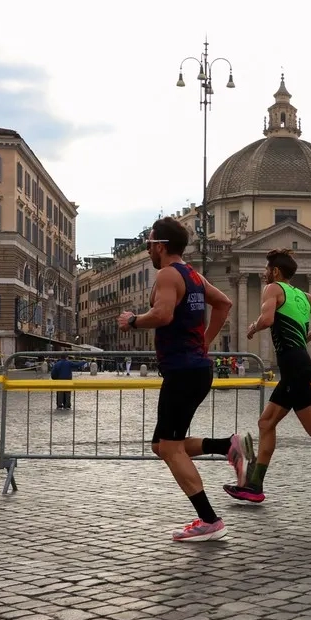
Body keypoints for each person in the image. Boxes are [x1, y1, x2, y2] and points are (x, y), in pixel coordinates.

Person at [117, 216, 247, 542]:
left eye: (148, 244)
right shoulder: (193, 275)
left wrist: (132, 320)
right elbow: (224, 302)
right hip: (193, 369)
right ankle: (227, 446)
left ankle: (210, 520)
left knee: (172, 448)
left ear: (160, 245)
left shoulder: (166, 274)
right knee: (161, 446)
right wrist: (206, 339)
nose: (148, 250)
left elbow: (163, 315)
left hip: (182, 371)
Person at [224, 248, 311, 503]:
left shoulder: (273, 289)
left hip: (294, 367)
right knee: (266, 423)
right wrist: (305, 338)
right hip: (298, 365)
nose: (264, 274)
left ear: (275, 271)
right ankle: (254, 486)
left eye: (267, 269)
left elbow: (267, 319)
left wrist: (253, 327)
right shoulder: (304, 295)